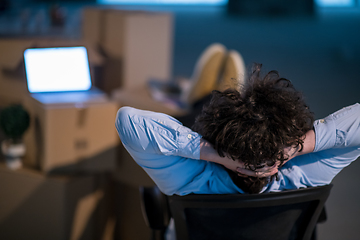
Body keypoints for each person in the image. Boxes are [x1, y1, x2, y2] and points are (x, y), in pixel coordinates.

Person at [115, 63, 360, 196]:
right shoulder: (302, 179)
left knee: (200, 113)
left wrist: (219, 154)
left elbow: (128, 121)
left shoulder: (192, 182)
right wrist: (292, 149)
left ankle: (204, 89)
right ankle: (218, 80)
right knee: (244, 114)